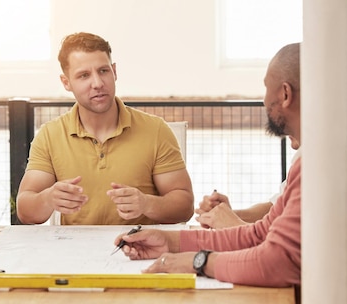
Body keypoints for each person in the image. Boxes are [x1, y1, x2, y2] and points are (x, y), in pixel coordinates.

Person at [115, 42, 301, 287]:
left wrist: (198, 261)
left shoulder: (320, 165)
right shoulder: (307, 161)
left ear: (285, 94)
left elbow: (276, 262)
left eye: (266, 88)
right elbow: (260, 233)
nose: (264, 101)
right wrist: (169, 242)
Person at [16, 32, 194, 225]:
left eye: (103, 71)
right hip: (74, 251)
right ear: (66, 82)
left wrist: (147, 204)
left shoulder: (156, 130)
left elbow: (184, 207)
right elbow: (25, 211)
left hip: (140, 249)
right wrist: (48, 198)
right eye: (84, 75)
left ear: (114, 71)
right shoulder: (50, 135)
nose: (98, 83)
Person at [195, 136, 300, 229]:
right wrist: (223, 215)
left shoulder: (307, 164)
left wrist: (233, 223)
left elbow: (280, 240)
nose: (283, 132)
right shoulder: (301, 160)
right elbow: (275, 208)